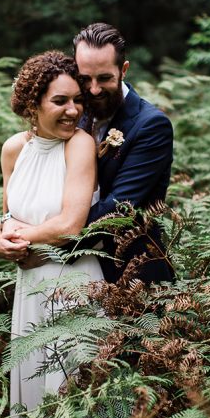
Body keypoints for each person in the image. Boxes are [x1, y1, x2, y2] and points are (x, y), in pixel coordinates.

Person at [0, 51, 102, 418]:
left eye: (77, 100)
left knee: (69, 396)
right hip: (30, 287)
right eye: (60, 101)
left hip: (73, 283)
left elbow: (72, 224)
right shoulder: (14, 149)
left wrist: (16, 238)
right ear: (32, 104)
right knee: (33, 395)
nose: (73, 110)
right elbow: (8, 217)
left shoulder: (81, 145)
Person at [72, 23, 175, 284]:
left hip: (131, 277)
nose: (94, 89)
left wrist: (48, 245)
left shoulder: (151, 125)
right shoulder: (74, 116)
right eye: (85, 79)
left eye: (104, 78)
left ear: (123, 70)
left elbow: (117, 210)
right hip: (72, 280)